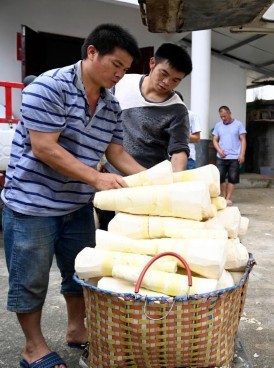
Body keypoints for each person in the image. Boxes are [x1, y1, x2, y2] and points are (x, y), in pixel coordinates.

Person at [1, 24, 145, 368]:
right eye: (116, 65)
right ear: (92, 52)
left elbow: (117, 154)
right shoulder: (49, 87)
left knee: (81, 273)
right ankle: (33, 348)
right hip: (31, 204)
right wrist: (97, 178)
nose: (120, 75)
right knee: (31, 278)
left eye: (125, 70)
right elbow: (44, 147)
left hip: (76, 204)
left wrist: (161, 181)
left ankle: (76, 330)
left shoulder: (111, 104)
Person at [106, 42, 193, 173]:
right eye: (164, 73)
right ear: (152, 63)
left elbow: (179, 149)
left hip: (150, 180)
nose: (166, 82)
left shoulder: (177, 109)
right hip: (112, 173)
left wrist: (177, 178)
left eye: (175, 80)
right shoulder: (122, 84)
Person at [212, 106, 247, 205]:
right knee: (221, 177)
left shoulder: (238, 124)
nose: (223, 118)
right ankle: (223, 197)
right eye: (221, 117)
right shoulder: (218, 125)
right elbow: (214, 140)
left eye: (224, 116)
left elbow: (243, 139)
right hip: (221, 157)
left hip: (235, 157)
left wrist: (242, 154)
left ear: (229, 113)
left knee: (232, 178)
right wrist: (219, 150)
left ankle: (228, 198)